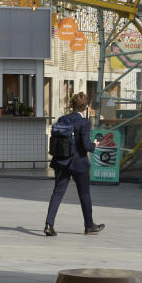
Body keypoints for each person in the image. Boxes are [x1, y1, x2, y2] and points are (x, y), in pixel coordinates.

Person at [44, 92, 104, 236]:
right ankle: (89, 226)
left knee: (57, 193)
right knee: (84, 194)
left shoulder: (62, 119)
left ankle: (48, 224)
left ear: (72, 105)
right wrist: (95, 143)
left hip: (61, 161)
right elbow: (87, 146)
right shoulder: (84, 123)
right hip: (79, 163)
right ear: (86, 107)